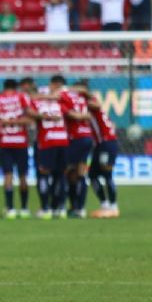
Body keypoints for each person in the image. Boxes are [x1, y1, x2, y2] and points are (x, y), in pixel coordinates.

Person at [22, 77, 69, 219]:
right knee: (59, 175)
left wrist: (44, 116)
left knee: (43, 174)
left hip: (47, 141)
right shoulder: (60, 104)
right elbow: (66, 113)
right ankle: (60, 208)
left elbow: (30, 116)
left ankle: (45, 208)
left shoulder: (36, 103)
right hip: (63, 140)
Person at [78, 82, 120, 218]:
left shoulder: (91, 104)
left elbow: (96, 105)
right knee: (92, 175)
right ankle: (105, 205)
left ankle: (114, 207)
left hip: (107, 143)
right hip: (100, 145)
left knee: (107, 174)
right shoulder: (86, 107)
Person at [55, 76, 94, 219]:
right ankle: (79, 208)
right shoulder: (83, 99)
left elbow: (71, 115)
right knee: (79, 173)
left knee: (65, 172)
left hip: (75, 138)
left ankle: (62, 207)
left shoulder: (64, 98)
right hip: (87, 137)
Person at [0, 79, 33, 219]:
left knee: (8, 175)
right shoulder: (22, 97)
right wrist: (16, 121)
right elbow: (30, 120)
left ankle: (10, 209)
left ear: (4, 87)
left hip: (5, 142)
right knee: (23, 176)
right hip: (21, 142)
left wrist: (6, 122)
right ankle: (24, 208)